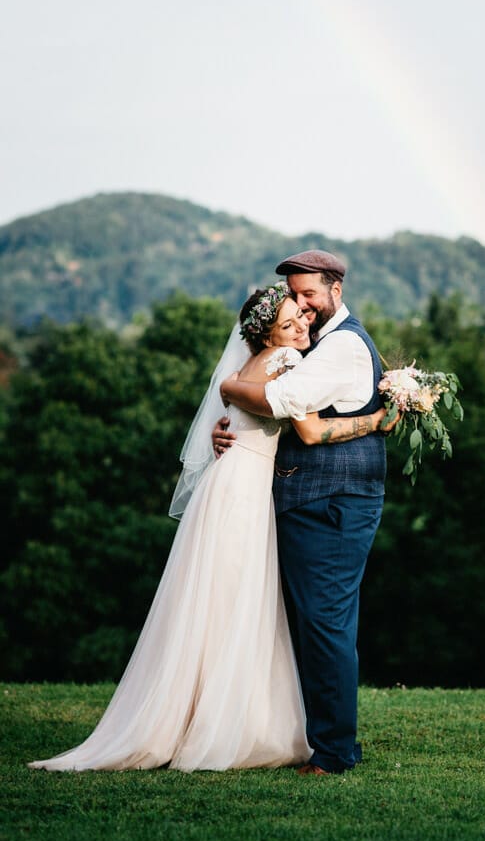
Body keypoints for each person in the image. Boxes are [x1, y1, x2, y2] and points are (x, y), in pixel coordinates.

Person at [29, 282, 388, 772]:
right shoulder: (286, 362)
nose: (302, 323)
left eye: (302, 315)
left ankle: (210, 716)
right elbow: (307, 429)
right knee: (234, 603)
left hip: (238, 482)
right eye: (289, 321)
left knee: (221, 602)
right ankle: (219, 726)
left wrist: (230, 402)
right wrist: (379, 418)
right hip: (243, 490)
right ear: (268, 333)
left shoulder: (258, 362)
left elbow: (238, 403)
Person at [214, 249, 388, 776]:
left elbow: (286, 400)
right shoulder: (325, 341)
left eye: (309, 295)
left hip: (329, 502)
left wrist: (227, 388)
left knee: (325, 624)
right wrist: (231, 426)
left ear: (336, 288)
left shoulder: (342, 347)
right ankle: (322, 741)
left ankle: (333, 754)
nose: (303, 307)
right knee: (317, 624)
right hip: (313, 499)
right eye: (295, 297)